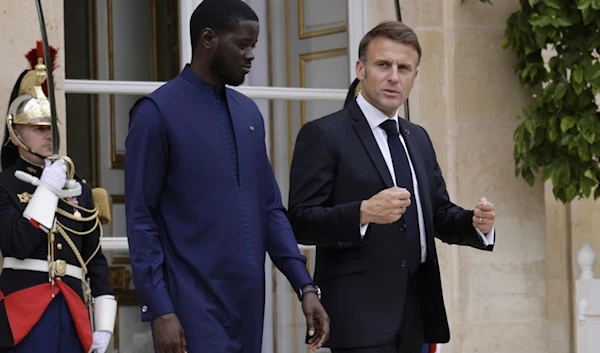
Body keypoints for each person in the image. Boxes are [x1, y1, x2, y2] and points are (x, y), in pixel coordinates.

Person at [124, 1, 329, 352]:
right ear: (208, 39)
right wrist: (159, 309)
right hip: (190, 307)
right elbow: (141, 221)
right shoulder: (155, 114)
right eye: (243, 45)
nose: (251, 56)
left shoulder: (249, 112)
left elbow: (270, 208)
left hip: (249, 308)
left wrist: (305, 286)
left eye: (254, 45)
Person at [288, 21, 497, 353]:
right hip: (360, 315)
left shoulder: (418, 138)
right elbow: (299, 221)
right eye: (383, 65)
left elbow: (438, 213)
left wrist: (475, 223)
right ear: (361, 69)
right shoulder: (324, 134)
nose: (393, 76)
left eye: (404, 68)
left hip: (417, 310)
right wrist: (363, 213)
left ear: (415, 77)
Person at [0, 44, 116, 353]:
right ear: (15, 134)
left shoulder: (79, 187)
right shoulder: (5, 184)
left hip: (74, 312)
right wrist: (46, 191)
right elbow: (17, 244)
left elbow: (95, 261)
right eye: (39, 128)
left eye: (52, 127)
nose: (49, 134)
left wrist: (104, 326)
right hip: (24, 315)